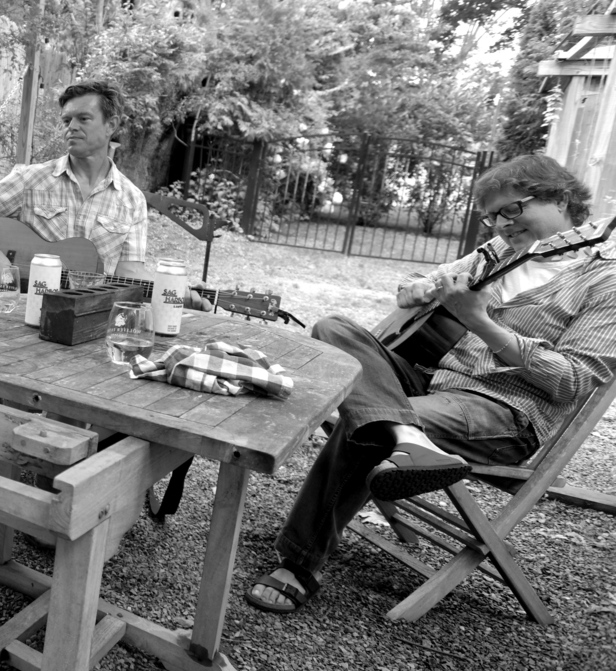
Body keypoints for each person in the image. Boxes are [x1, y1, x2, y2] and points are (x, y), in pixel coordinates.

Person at [246, 154, 616, 614]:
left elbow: (575, 382)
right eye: (491, 216)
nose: (500, 225)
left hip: (503, 413)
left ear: (560, 198)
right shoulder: (501, 252)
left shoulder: (606, 276)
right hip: (433, 384)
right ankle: (405, 436)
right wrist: (416, 287)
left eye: (511, 210)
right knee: (334, 329)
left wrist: (479, 322)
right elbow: (424, 280)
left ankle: (299, 563)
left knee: (372, 420)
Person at [0, 79, 210, 307]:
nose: (71, 127)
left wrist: (174, 289)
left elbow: (129, 271)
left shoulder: (131, 199)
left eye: (83, 119)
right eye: (67, 120)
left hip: (88, 316)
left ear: (111, 125)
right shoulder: (32, 179)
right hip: (19, 313)